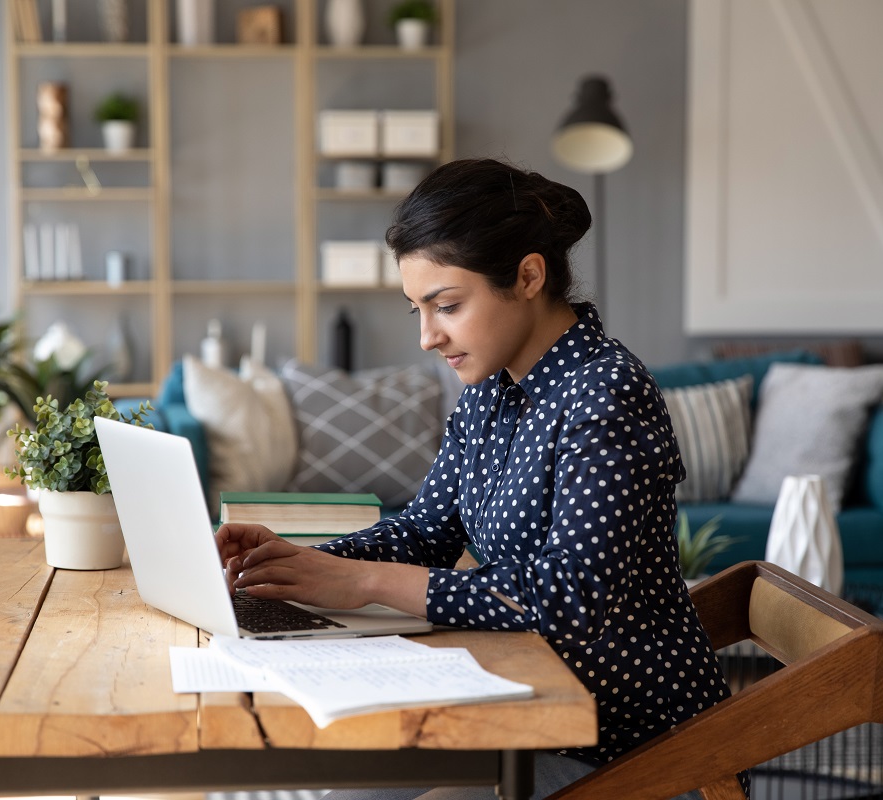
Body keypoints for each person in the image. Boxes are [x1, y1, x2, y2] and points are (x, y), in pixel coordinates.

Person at [216, 158, 741, 800]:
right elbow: (428, 530)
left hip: (633, 751)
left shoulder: (607, 395)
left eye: (447, 306)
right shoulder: (489, 393)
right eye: (416, 308)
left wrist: (368, 580)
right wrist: (299, 563)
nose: (427, 337)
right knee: (334, 780)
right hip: (531, 711)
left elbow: (568, 598)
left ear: (527, 276)